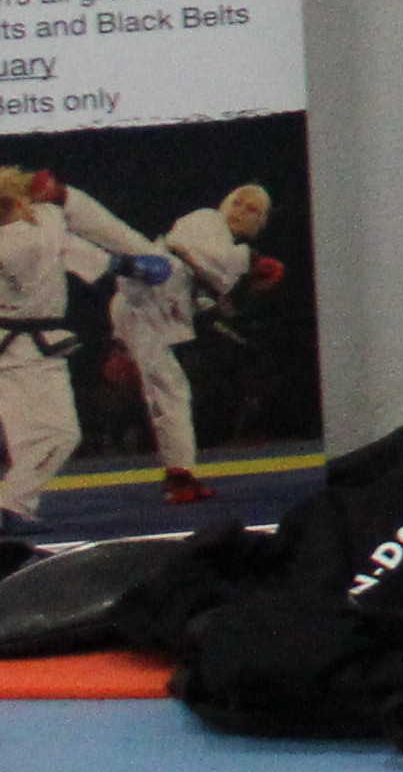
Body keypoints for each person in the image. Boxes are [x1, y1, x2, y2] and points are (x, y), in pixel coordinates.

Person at [105, 182, 283, 507]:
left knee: (169, 391)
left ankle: (179, 476)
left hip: (148, 306)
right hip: (154, 287)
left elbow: (210, 302)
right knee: (171, 391)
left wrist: (251, 283)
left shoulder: (221, 255)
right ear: (224, 203)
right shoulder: (205, 220)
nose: (241, 211)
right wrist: (254, 262)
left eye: (252, 210)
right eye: (237, 202)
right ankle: (179, 477)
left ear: (261, 222)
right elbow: (205, 257)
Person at [0, 165, 141, 535]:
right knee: (59, 433)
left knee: (31, 438)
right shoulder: (36, 230)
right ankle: (13, 504)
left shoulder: (43, 228)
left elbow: (68, 248)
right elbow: (50, 242)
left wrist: (125, 264)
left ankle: (14, 505)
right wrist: (53, 201)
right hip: (22, 350)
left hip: (32, 348)